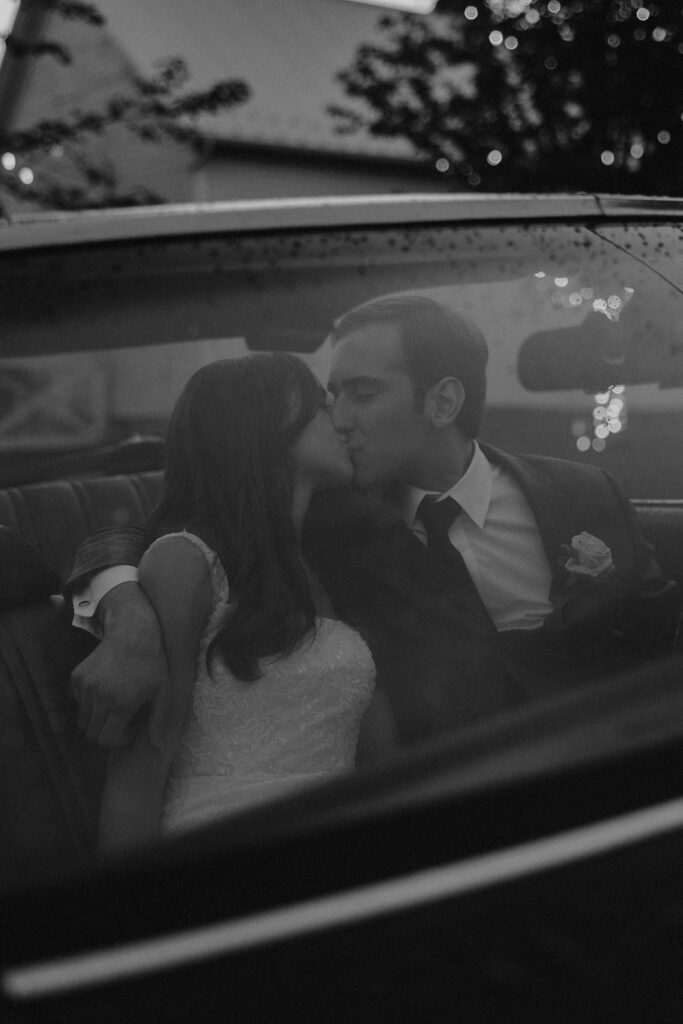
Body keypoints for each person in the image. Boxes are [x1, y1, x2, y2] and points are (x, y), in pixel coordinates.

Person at [68, 296, 679, 755]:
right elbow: (127, 535)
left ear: (442, 403)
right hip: (434, 800)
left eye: (362, 393)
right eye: (331, 396)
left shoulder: (582, 493)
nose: (338, 417)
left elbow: (657, 629)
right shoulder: (313, 517)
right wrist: (129, 617)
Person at [95, 353, 383, 855]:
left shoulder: (330, 551)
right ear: (263, 424)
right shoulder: (187, 562)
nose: (338, 415)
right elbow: (144, 764)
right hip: (226, 845)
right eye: (319, 402)